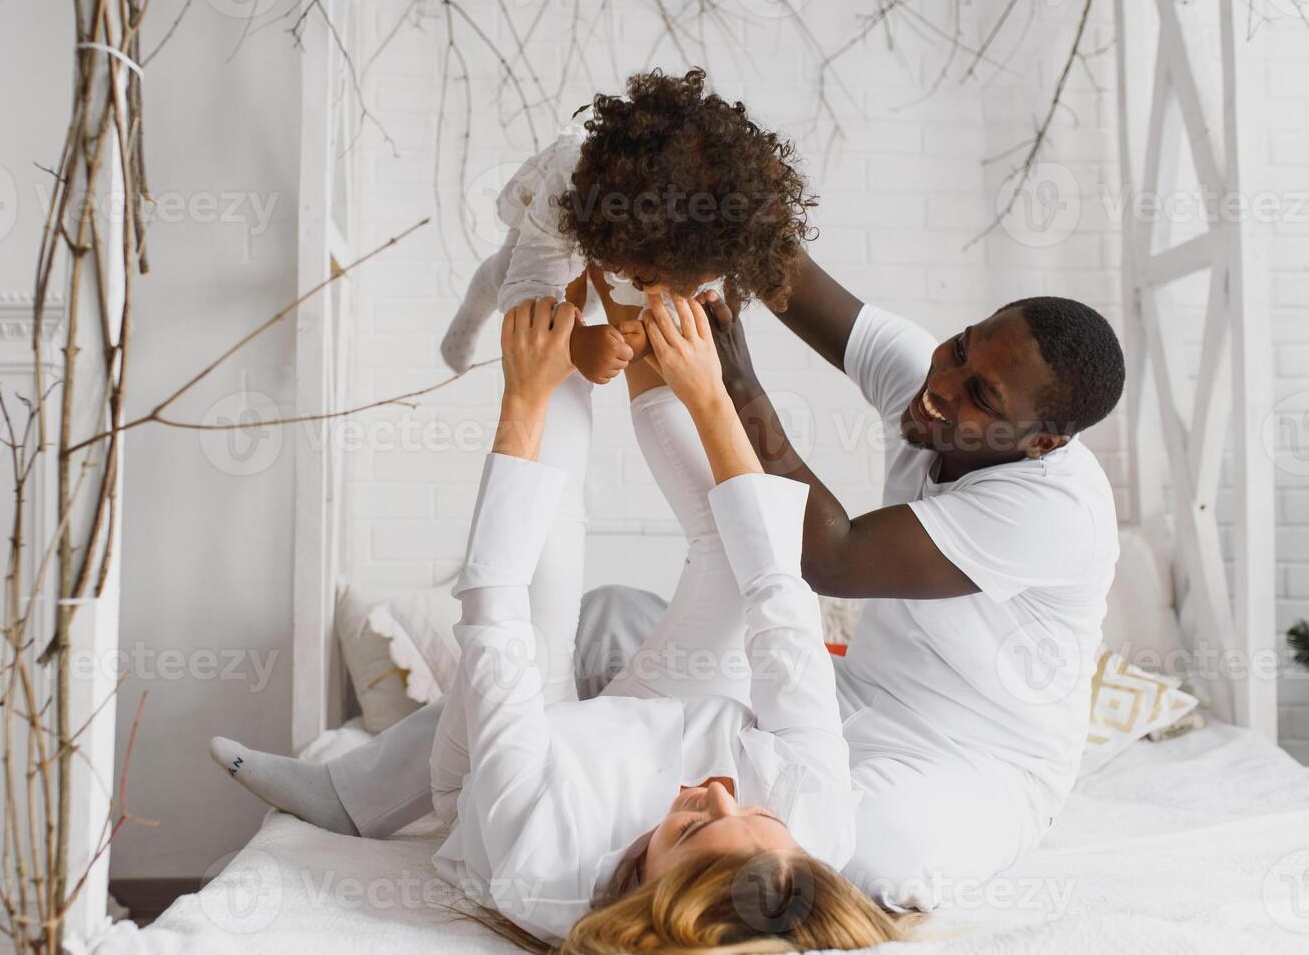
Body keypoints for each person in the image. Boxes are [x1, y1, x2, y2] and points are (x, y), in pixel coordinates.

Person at [210, 253, 1126, 913]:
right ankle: (360, 792)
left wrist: (721, 378)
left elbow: (828, 560)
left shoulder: (1056, 512)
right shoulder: (943, 384)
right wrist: (682, 234)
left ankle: (661, 865)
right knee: (618, 627)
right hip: (853, 696)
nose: (942, 387)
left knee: (857, 846)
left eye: (980, 400)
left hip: (973, 758)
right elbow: (782, 267)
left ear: (1044, 440)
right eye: (962, 350)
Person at [214, 296, 904, 951]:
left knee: (546, 570)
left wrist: (523, 394)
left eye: (694, 827)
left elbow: (495, 615)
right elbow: (780, 599)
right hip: (664, 719)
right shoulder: (815, 827)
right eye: (760, 814)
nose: (718, 791)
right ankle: (641, 314)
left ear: (641, 892)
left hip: (526, 769)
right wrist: (708, 393)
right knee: (734, 565)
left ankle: (565, 346)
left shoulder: (539, 858)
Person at [434, 67, 813, 716]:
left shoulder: (707, 233)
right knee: (499, 280)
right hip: (554, 243)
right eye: (651, 280)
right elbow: (530, 298)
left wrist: (655, 331)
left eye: (684, 287)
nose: (664, 299)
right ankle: (464, 325)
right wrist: (580, 344)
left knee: (725, 523)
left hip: (640, 243)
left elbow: (669, 290)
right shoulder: (566, 193)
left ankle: (562, 723)